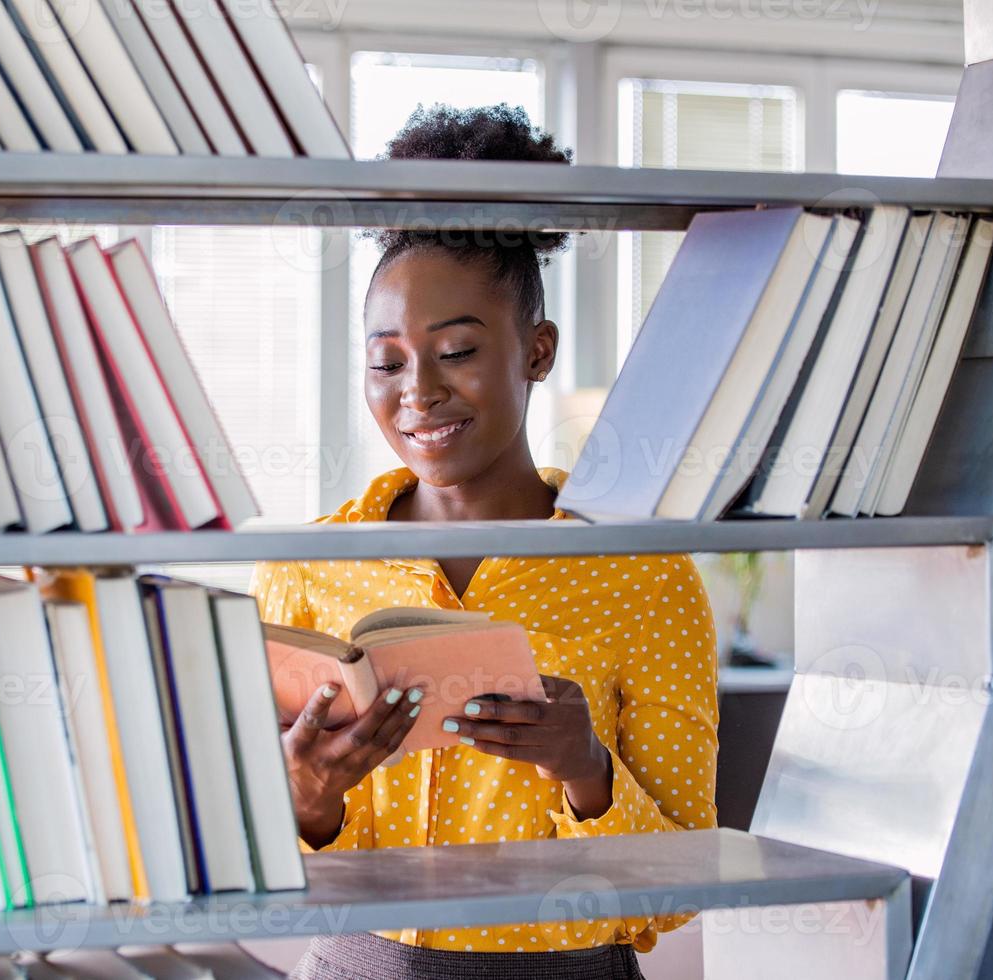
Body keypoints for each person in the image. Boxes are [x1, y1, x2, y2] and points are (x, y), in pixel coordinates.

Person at [250, 103, 719, 980]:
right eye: (386, 362)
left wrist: (587, 770)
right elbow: (245, 848)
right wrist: (308, 793)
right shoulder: (310, 564)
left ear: (535, 351)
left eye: (456, 350)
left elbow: (686, 885)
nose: (417, 392)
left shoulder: (643, 574)